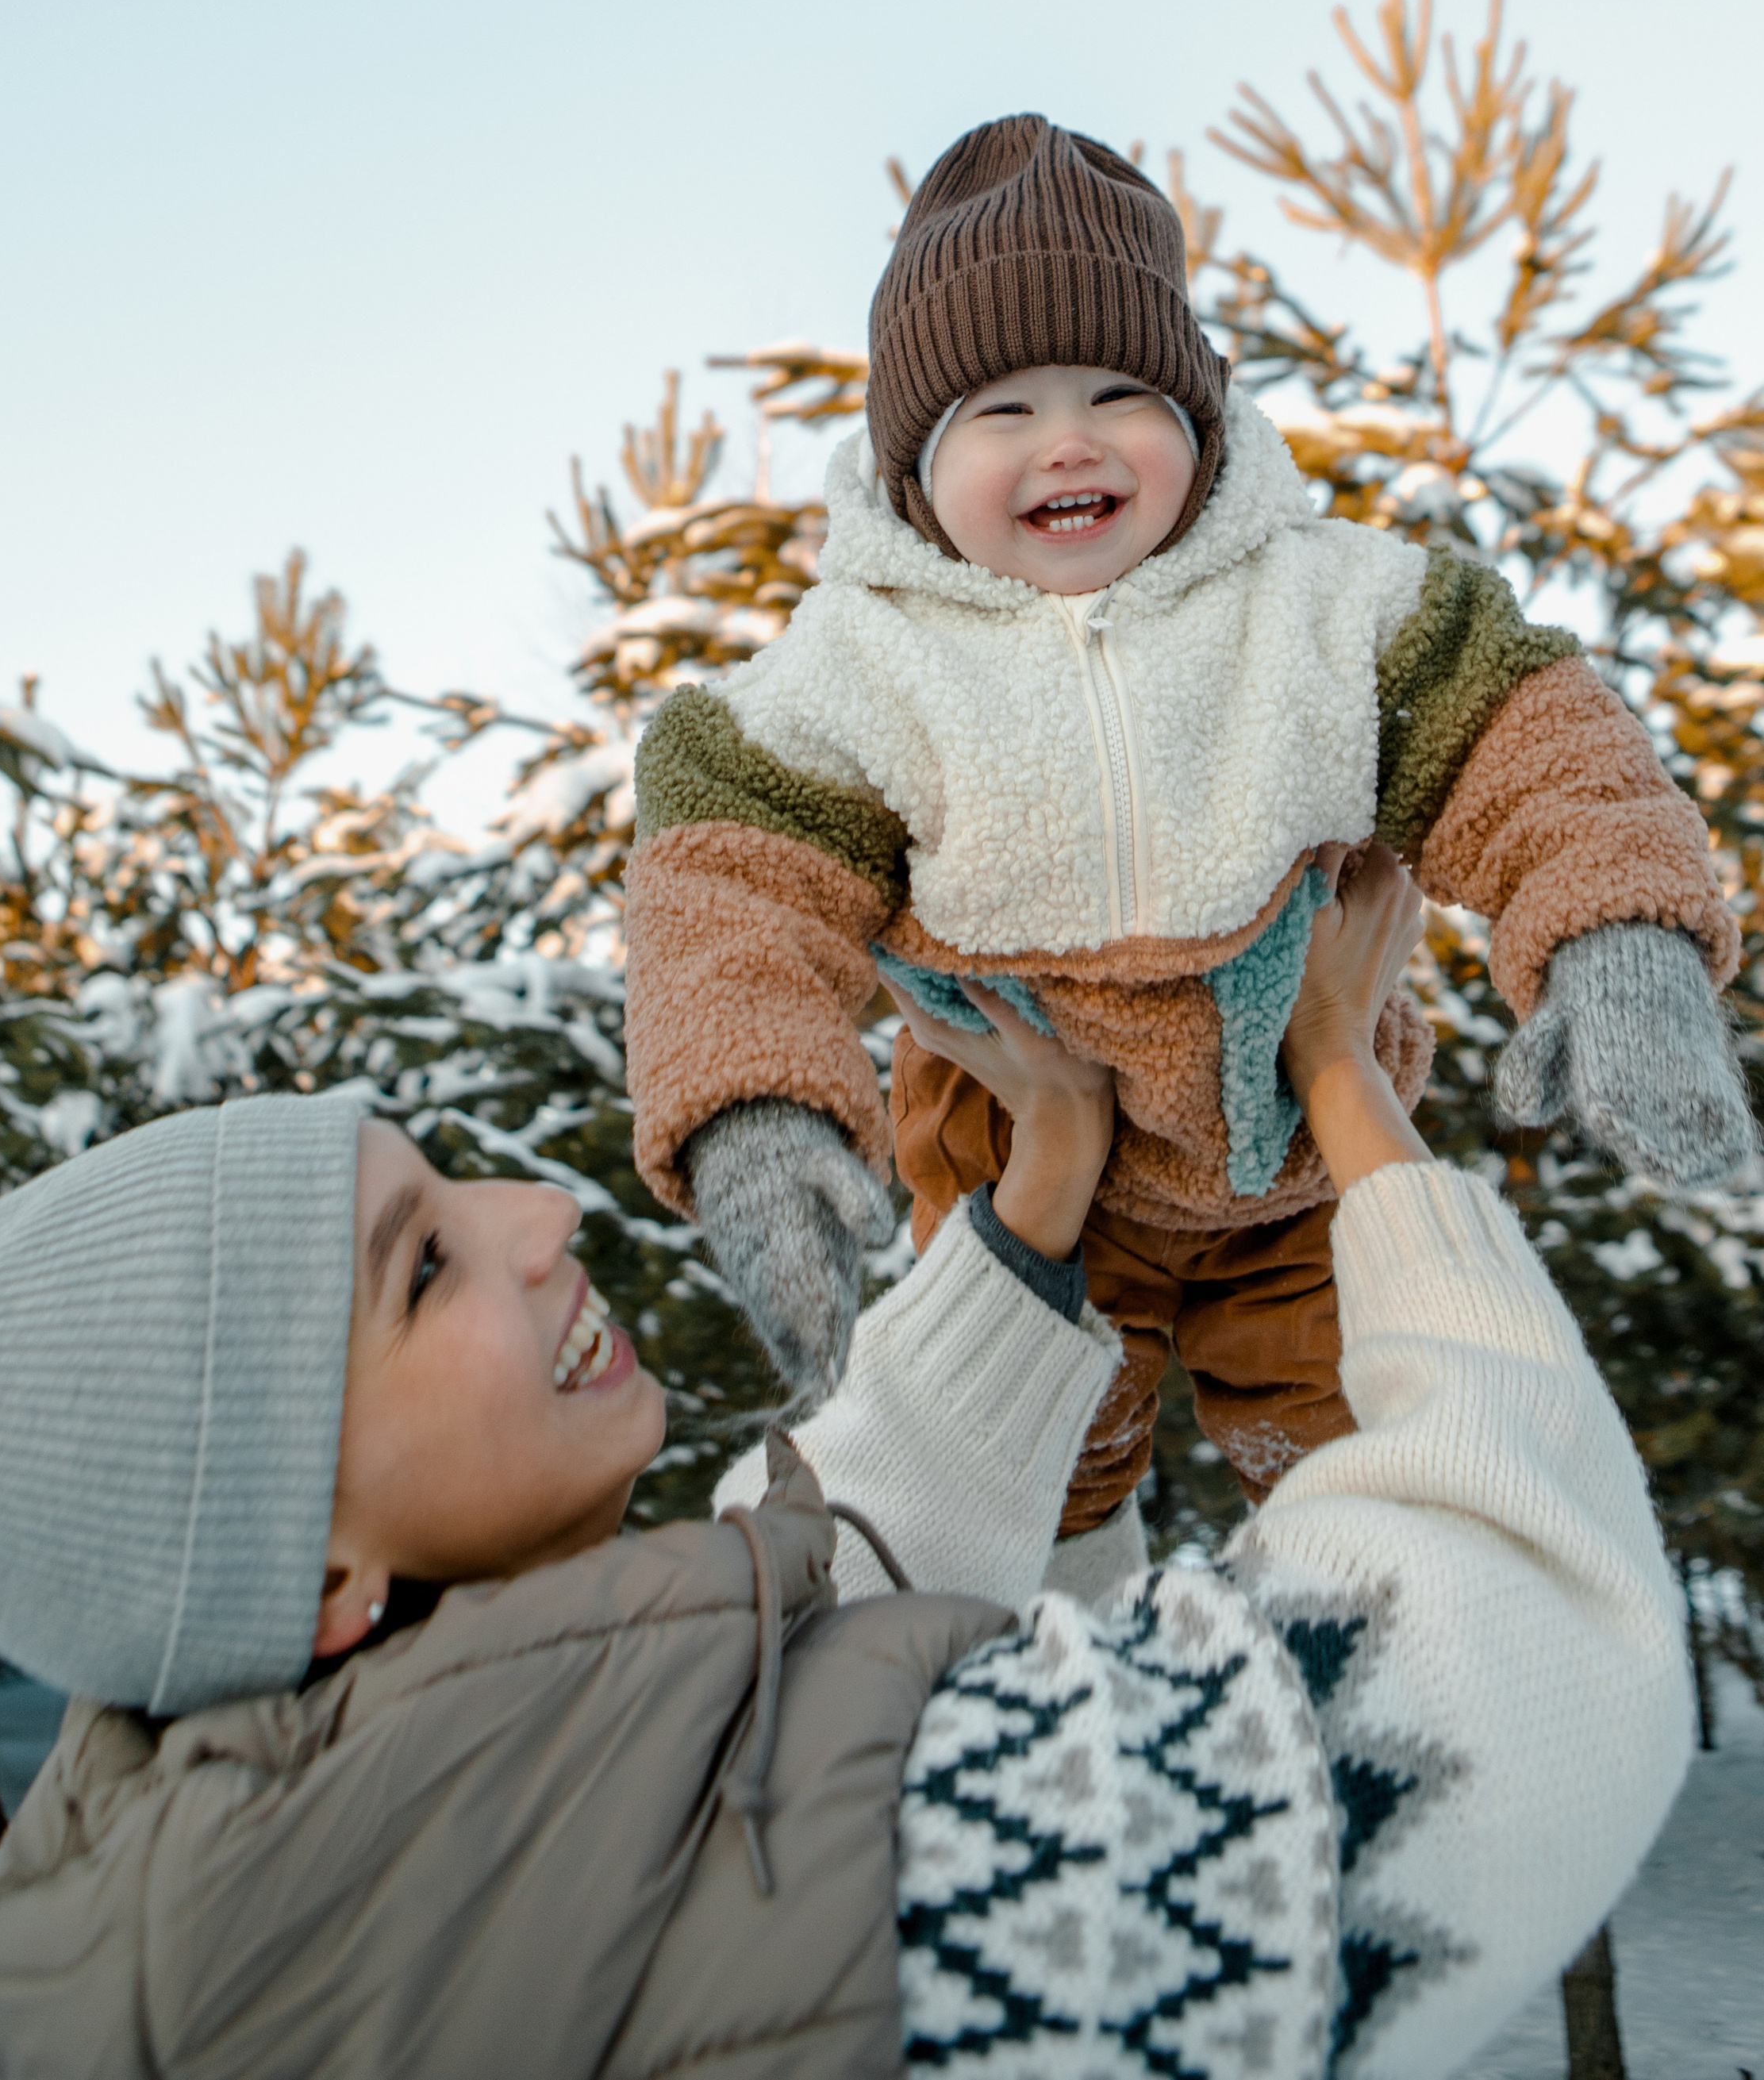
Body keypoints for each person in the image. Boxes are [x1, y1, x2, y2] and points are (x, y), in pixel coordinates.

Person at [0, 849, 1691, 2077]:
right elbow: (1530, 1656)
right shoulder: (861, 1895)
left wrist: (1045, 1184)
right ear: (311, 1572)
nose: (543, 1211)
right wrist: (1342, 1083)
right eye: (420, 1268)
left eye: (447, 1177)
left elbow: (783, 1578)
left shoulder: (234, 1799)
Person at [621, 113, 1751, 1580]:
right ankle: (1070, 1663)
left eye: (1118, 390)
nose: (1070, 438)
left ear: (1203, 422)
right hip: (1019, 1160)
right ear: (912, 472)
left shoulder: (1314, 603)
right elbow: (730, 883)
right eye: (1001, 411)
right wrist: (754, 1112)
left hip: (1293, 1164)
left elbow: (1525, 737)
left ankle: (1376, 1655)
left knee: (1360, 1441)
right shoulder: (867, 662)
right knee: (1043, 1468)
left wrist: (1619, 935)